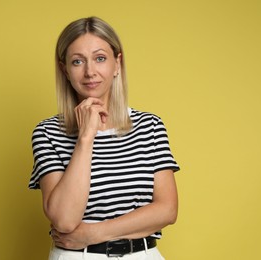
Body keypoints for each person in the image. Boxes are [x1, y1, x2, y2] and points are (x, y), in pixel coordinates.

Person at [29, 16, 180, 260]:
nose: (90, 72)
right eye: (78, 61)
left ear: (117, 63)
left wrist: (93, 233)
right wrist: (85, 138)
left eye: (100, 58)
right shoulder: (47, 132)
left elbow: (167, 210)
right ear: (64, 69)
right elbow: (65, 220)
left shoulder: (149, 125)